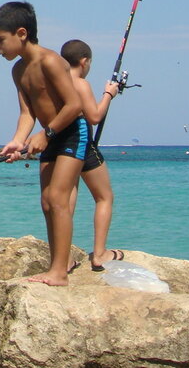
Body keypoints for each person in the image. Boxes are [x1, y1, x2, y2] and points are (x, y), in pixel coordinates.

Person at [0, 1, 85, 286]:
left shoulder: (50, 60)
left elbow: (74, 105)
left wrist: (47, 134)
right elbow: (27, 113)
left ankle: (59, 274)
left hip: (70, 134)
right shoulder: (18, 71)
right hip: (50, 137)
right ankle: (59, 263)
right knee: (46, 202)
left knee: (58, 199)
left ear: (21, 33)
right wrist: (17, 142)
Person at [60, 39, 122, 270]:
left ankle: (64, 260)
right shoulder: (80, 83)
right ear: (84, 62)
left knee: (65, 203)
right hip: (82, 145)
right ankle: (100, 254)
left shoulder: (56, 82)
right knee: (104, 197)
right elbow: (94, 116)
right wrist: (109, 94)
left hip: (61, 146)